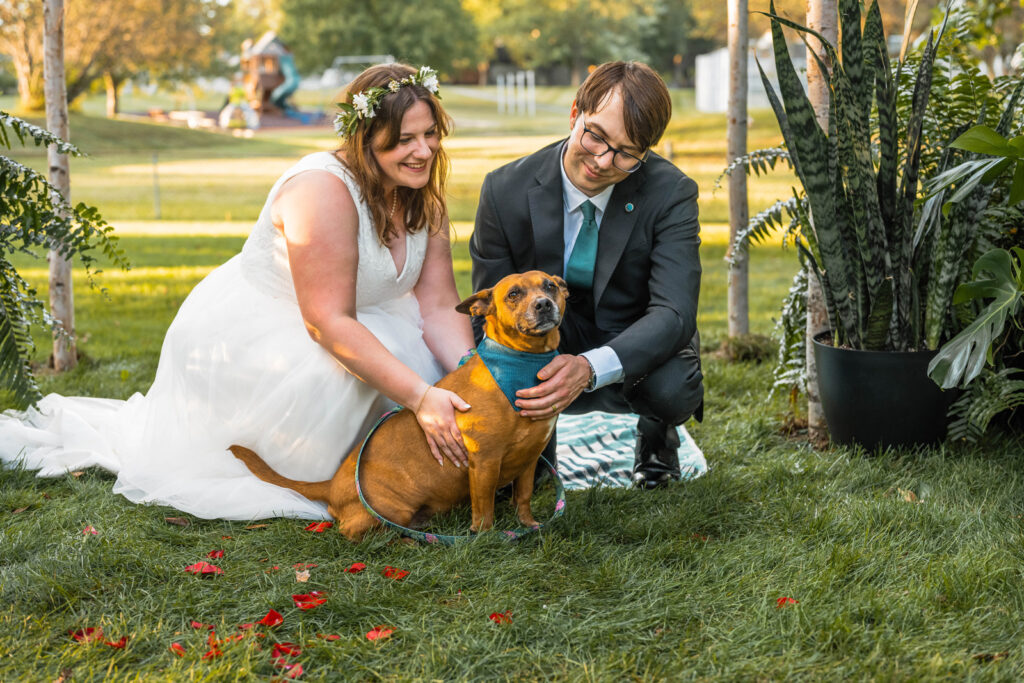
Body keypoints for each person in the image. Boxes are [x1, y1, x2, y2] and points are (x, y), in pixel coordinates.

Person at [0, 63, 475, 520]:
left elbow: (435, 304)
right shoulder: (323, 191)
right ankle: (348, 473)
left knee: (430, 371)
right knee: (385, 373)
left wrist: (475, 375)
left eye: (430, 134)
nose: (424, 151)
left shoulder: (420, 194)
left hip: (365, 319)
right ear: (364, 139)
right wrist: (417, 395)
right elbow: (326, 321)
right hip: (275, 335)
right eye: (404, 140)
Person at [470, 61, 703, 490]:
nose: (602, 160)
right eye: (595, 135)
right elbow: (491, 314)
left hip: (631, 338)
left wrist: (589, 368)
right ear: (575, 113)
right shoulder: (503, 191)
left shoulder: (672, 194)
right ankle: (538, 454)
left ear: (646, 152)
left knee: (672, 387)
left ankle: (657, 440)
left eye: (627, 152)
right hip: (544, 334)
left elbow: (674, 311)